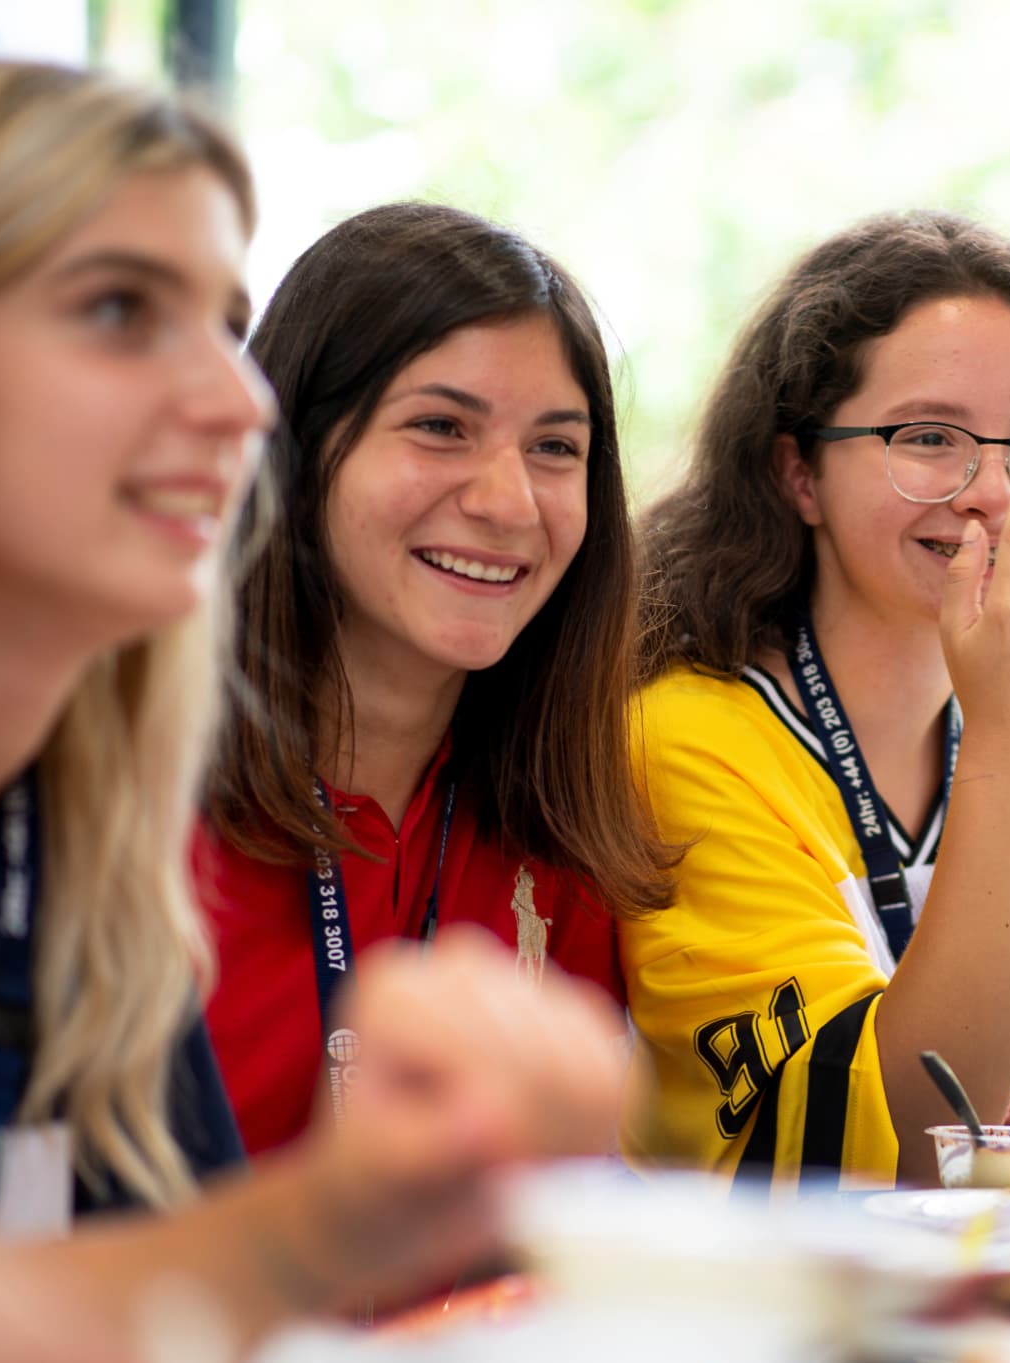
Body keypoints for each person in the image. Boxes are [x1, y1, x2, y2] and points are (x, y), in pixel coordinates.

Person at [0, 58, 628, 1354]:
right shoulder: (147, 836)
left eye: (221, 320)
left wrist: (357, 1207)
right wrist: (332, 1216)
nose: (236, 397)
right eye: (122, 309)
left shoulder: (74, 838)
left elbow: (145, 1304)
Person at [628, 210, 1010, 1191]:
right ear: (796, 471)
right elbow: (907, 1139)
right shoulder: (686, 738)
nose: (999, 495)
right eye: (928, 437)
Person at [197, 201, 674, 1156]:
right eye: (441, 426)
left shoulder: (572, 835)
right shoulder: (132, 807)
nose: (508, 502)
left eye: (555, 447)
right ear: (289, 446)